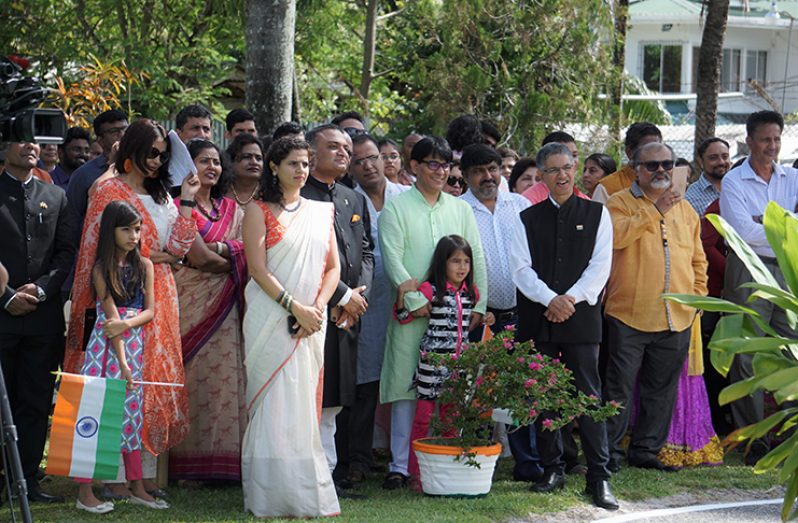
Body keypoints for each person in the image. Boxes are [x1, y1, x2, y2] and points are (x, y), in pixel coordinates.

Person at [65, 119, 200, 495]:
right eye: (151, 153)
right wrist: (160, 256)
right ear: (133, 151)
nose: (158, 161)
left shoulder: (163, 195)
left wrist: (188, 199)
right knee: (113, 381)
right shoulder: (107, 190)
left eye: (163, 155)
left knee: (147, 382)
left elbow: (180, 247)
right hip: (120, 296)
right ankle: (106, 479)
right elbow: (101, 248)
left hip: (159, 297)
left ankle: (140, 478)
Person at [510, 141, 617, 510]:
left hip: (581, 317)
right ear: (541, 175)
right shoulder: (526, 218)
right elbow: (521, 270)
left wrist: (568, 299)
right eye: (553, 169)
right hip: (538, 317)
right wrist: (549, 300)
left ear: (575, 169)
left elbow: (600, 268)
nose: (562, 175)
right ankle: (552, 468)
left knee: (588, 395)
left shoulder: (598, 214)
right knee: (543, 395)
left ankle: (599, 476)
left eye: (568, 167)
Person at [378, 136, 488, 490]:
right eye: (433, 164)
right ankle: (400, 465)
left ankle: (441, 458)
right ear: (414, 167)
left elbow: (478, 258)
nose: (441, 171)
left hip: (454, 317)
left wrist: (479, 305)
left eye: (445, 165)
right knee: (407, 388)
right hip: (414, 314)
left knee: (450, 388)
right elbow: (392, 258)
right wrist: (413, 301)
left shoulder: (460, 209)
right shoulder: (396, 208)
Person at [241, 137, 341, 518]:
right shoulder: (258, 210)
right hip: (271, 317)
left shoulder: (321, 211)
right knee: (272, 403)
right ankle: (270, 495)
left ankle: (305, 493)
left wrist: (315, 308)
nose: (300, 171)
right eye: (292, 164)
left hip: (312, 321)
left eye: (304, 164)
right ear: (274, 167)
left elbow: (332, 268)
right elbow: (258, 269)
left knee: (302, 406)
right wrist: (294, 307)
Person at [603, 142, 708, 473]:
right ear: (636, 169)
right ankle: (609, 453)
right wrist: (656, 209)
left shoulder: (686, 209)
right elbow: (616, 238)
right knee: (618, 389)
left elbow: (697, 259)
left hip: (676, 316)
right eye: (652, 165)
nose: (662, 170)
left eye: (668, 163)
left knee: (661, 390)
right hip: (628, 315)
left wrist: (696, 300)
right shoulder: (618, 204)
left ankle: (646, 451)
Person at [719, 110, 798, 465]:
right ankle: (754, 440)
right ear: (749, 141)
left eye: (777, 139)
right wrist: (785, 224)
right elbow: (741, 234)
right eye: (765, 139)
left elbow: (761, 230)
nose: (772, 146)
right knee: (746, 355)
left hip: (787, 270)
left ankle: (790, 436)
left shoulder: (793, 178)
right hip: (748, 272)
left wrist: (766, 223)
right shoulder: (734, 182)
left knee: (791, 352)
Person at [75, 201, 164, 513]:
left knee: (132, 415)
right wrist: (123, 363)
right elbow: (109, 319)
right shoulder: (102, 269)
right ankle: (85, 491)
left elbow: (150, 312)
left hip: (132, 343)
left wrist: (127, 324)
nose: (134, 235)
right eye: (126, 228)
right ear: (110, 231)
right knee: (95, 413)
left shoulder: (146, 267)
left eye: (137, 229)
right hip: (106, 350)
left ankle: (136, 485)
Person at [168, 140, 248, 482]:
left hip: (228, 308)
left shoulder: (234, 209)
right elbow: (195, 257)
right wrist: (230, 256)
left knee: (230, 380)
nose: (212, 167)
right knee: (195, 379)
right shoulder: (176, 207)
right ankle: (187, 464)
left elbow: (251, 250)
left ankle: (227, 464)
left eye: (217, 161)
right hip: (190, 304)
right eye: (203, 161)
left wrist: (220, 250)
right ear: (187, 168)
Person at [0, 140, 75, 504]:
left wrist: (43, 290)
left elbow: (66, 253)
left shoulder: (56, 196)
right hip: (1, 315)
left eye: (37, 138)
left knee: (35, 400)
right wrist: (6, 296)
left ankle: (27, 479)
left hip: (42, 321)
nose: (31, 146)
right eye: (21, 137)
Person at [301, 124, 374, 493]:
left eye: (347, 147)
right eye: (334, 147)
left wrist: (357, 300)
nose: (344, 153)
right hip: (313, 313)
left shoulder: (352, 197)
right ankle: (309, 477)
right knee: (311, 397)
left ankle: (326, 476)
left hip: (348, 316)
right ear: (311, 153)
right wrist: (342, 297)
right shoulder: (298, 196)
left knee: (335, 402)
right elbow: (304, 259)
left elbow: (365, 252)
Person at [337, 134, 409, 487]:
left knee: (403, 384)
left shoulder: (405, 198)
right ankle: (357, 461)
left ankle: (404, 461)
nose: (367, 165)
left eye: (372, 158)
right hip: (362, 301)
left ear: (385, 160)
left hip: (403, 302)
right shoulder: (347, 200)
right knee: (362, 387)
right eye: (358, 161)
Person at [404, 235, 493, 481]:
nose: (462, 267)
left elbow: (468, 328)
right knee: (423, 419)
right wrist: (404, 295)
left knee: (452, 421)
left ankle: (445, 472)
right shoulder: (430, 289)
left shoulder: (471, 293)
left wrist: (486, 319)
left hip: (459, 367)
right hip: (431, 366)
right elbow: (404, 315)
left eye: (466, 261)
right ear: (443, 263)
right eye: (455, 261)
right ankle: (416, 473)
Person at [67, 109, 129, 243]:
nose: (122, 135)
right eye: (114, 132)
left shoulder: (142, 169)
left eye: (125, 129)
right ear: (100, 140)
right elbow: (72, 221)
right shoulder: (84, 175)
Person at [592, 122, 662, 204]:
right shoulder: (607, 188)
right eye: (648, 149)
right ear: (630, 152)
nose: (655, 154)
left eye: (659, 149)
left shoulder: (667, 183)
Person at [685, 137, 731, 216]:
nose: (721, 162)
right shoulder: (691, 198)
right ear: (701, 161)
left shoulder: (740, 186)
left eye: (725, 157)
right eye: (713, 158)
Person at [225, 133, 265, 207]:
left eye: (258, 158)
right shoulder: (219, 192)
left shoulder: (270, 194)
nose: (254, 162)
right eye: (247, 157)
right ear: (231, 161)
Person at [51, 126, 91, 191]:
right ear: (61, 152)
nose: (83, 154)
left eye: (87, 151)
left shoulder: (92, 181)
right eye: (77, 150)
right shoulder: (48, 181)